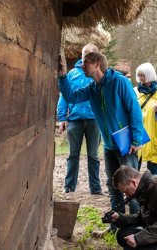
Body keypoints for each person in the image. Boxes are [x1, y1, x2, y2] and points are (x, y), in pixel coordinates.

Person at [58, 51, 144, 217]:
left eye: (86, 63)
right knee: (114, 185)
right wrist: (62, 76)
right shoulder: (92, 88)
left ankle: (136, 223)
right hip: (109, 144)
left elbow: (134, 110)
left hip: (126, 143)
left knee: (132, 185)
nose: (82, 66)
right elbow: (71, 96)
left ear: (97, 64)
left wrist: (136, 138)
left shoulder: (119, 82)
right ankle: (117, 223)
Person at [57, 44, 102, 195]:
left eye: (91, 55)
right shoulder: (72, 74)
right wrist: (62, 117)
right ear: (82, 56)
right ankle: (69, 187)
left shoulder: (98, 73)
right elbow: (64, 95)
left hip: (94, 119)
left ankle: (95, 189)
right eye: (85, 55)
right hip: (75, 119)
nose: (87, 58)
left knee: (93, 155)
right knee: (72, 155)